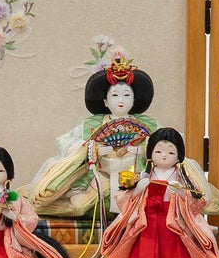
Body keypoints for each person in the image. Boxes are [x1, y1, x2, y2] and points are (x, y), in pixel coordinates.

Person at [87, 128, 219, 258]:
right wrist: (137, 191)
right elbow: (122, 199)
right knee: (141, 245)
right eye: (158, 151)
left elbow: (198, 203)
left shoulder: (182, 177)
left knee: (173, 246)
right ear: (150, 154)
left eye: (170, 152)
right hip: (146, 218)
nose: (164, 156)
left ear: (178, 156)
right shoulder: (144, 175)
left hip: (173, 219)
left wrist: (181, 193)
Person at [28, 55, 158, 217]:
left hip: (136, 177)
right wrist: (92, 149)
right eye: (115, 95)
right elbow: (64, 141)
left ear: (134, 100)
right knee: (79, 206)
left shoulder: (149, 124)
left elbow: (169, 145)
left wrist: (144, 149)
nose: (121, 100)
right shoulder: (92, 124)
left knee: (149, 205)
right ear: (105, 101)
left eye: (126, 95)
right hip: (101, 177)